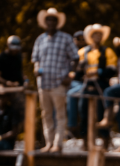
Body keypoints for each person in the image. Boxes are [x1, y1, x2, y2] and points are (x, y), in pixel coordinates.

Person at [32, 8, 79, 153]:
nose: (51, 22)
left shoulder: (65, 38)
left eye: (53, 19)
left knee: (60, 114)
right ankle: (49, 143)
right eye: (48, 19)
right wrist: (36, 68)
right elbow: (35, 59)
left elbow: (76, 58)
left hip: (59, 82)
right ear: (45, 22)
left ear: (57, 22)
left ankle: (58, 144)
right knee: (46, 115)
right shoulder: (40, 39)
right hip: (43, 83)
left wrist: (70, 75)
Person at [77, 24, 117, 142]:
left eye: (100, 34)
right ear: (91, 36)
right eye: (95, 34)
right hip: (86, 85)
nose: (98, 36)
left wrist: (97, 72)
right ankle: (85, 141)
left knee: (101, 113)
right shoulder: (83, 52)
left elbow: (112, 70)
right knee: (83, 113)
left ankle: (105, 140)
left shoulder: (108, 51)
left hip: (101, 85)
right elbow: (77, 72)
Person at [67, 30, 88, 137]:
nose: (81, 42)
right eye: (78, 39)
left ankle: (72, 126)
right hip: (71, 82)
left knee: (72, 94)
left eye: (83, 39)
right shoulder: (68, 52)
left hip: (82, 83)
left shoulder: (88, 52)